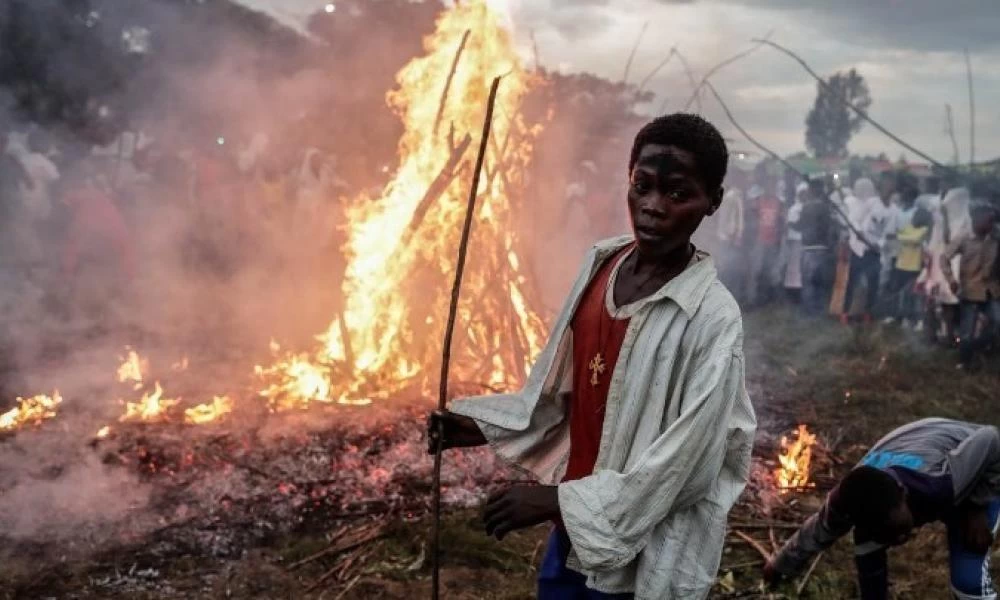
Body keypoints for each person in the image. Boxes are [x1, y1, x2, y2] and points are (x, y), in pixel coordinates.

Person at [428, 114, 756, 600]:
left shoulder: (712, 319)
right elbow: (567, 390)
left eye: (677, 194)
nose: (652, 207)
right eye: (642, 186)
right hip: (578, 533)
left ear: (712, 202)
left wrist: (555, 499)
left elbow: (686, 465)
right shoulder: (603, 264)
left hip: (644, 552)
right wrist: (476, 428)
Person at [765, 418, 1000, 600]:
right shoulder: (846, 503)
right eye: (889, 535)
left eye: (902, 529)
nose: (902, 539)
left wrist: (976, 507)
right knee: (869, 565)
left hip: (972, 457)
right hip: (917, 445)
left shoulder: (940, 482)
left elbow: (991, 438)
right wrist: (779, 564)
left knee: (967, 582)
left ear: (903, 494)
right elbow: (812, 534)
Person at [942, 204, 1000, 370]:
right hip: (970, 290)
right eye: (988, 221)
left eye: (993, 221)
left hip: (992, 289)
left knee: (997, 322)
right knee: (967, 331)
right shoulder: (963, 238)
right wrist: (951, 280)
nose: (992, 224)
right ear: (977, 220)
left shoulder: (996, 236)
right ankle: (965, 362)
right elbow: (944, 258)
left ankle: (979, 347)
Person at [842, 178, 888, 324]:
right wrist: (859, 233)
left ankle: (868, 313)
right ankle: (847, 312)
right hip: (858, 250)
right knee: (852, 283)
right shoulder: (853, 205)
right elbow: (852, 223)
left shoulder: (879, 206)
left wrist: (878, 244)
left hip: (873, 251)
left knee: (872, 284)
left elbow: (885, 230)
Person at [883, 185, 929, 327]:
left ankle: (918, 318)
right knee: (898, 289)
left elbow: (915, 238)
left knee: (915, 292)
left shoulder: (920, 217)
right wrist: (900, 236)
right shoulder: (900, 213)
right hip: (900, 258)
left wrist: (899, 236)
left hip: (915, 261)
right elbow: (894, 233)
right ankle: (900, 316)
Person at [794, 179, 835, 317]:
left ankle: (809, 311)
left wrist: (789, 223)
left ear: (812, 191)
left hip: (809, 248)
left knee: (808, 281)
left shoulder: (807, 207)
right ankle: (820, 310)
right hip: (823, 249)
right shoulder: (826, 207)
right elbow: (829, 228)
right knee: (820, 282)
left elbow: (800, 226)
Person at [746, 183, 783, 307]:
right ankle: (752, 300)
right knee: (756, 270)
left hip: (772, 242)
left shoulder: (778, 203)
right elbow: (751, 219)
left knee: (770, 271)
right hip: (759, 241)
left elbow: (781, 221)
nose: (769, 191)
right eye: (767, 188)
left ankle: (768, 299)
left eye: (771, 188)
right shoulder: (758, 202)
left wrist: (779, 237)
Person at [782, 182, 807, 303]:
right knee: (794, 268)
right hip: (795, 241)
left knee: (802, 268)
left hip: (805, 241)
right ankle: (792, 294)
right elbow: (790, 225)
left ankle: (801, 292)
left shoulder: (808, 207)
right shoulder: (794, 209)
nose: (804, 196)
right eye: (802, 194)